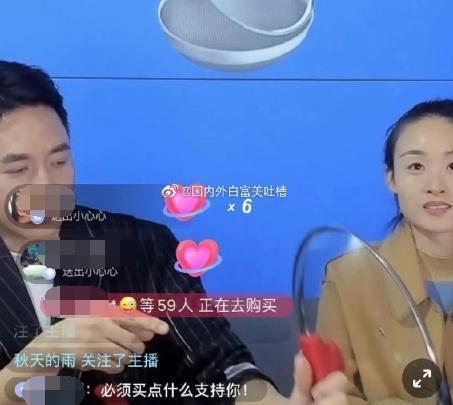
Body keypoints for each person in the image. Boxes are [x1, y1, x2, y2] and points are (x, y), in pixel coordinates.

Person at [0, 61, 347, 405]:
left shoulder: (143, 246)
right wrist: (47, 353)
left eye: (59, 162)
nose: (47, 185)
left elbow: (218, 364)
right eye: (18, 169)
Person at [317, 100, 453, 404]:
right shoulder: (348, 277)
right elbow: (331, 395)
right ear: (391, 178)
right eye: (416, 166)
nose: (436, 186)